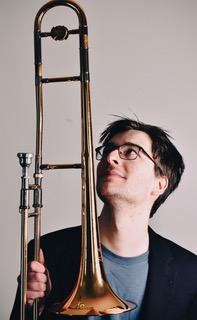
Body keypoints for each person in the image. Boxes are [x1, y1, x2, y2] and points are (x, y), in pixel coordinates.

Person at [10, 117, 197, 320]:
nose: (110, 158)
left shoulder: (190, 274)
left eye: (130, 152)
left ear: (159, 184)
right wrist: (29, 308)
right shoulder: (47, 251)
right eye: (108, 150)